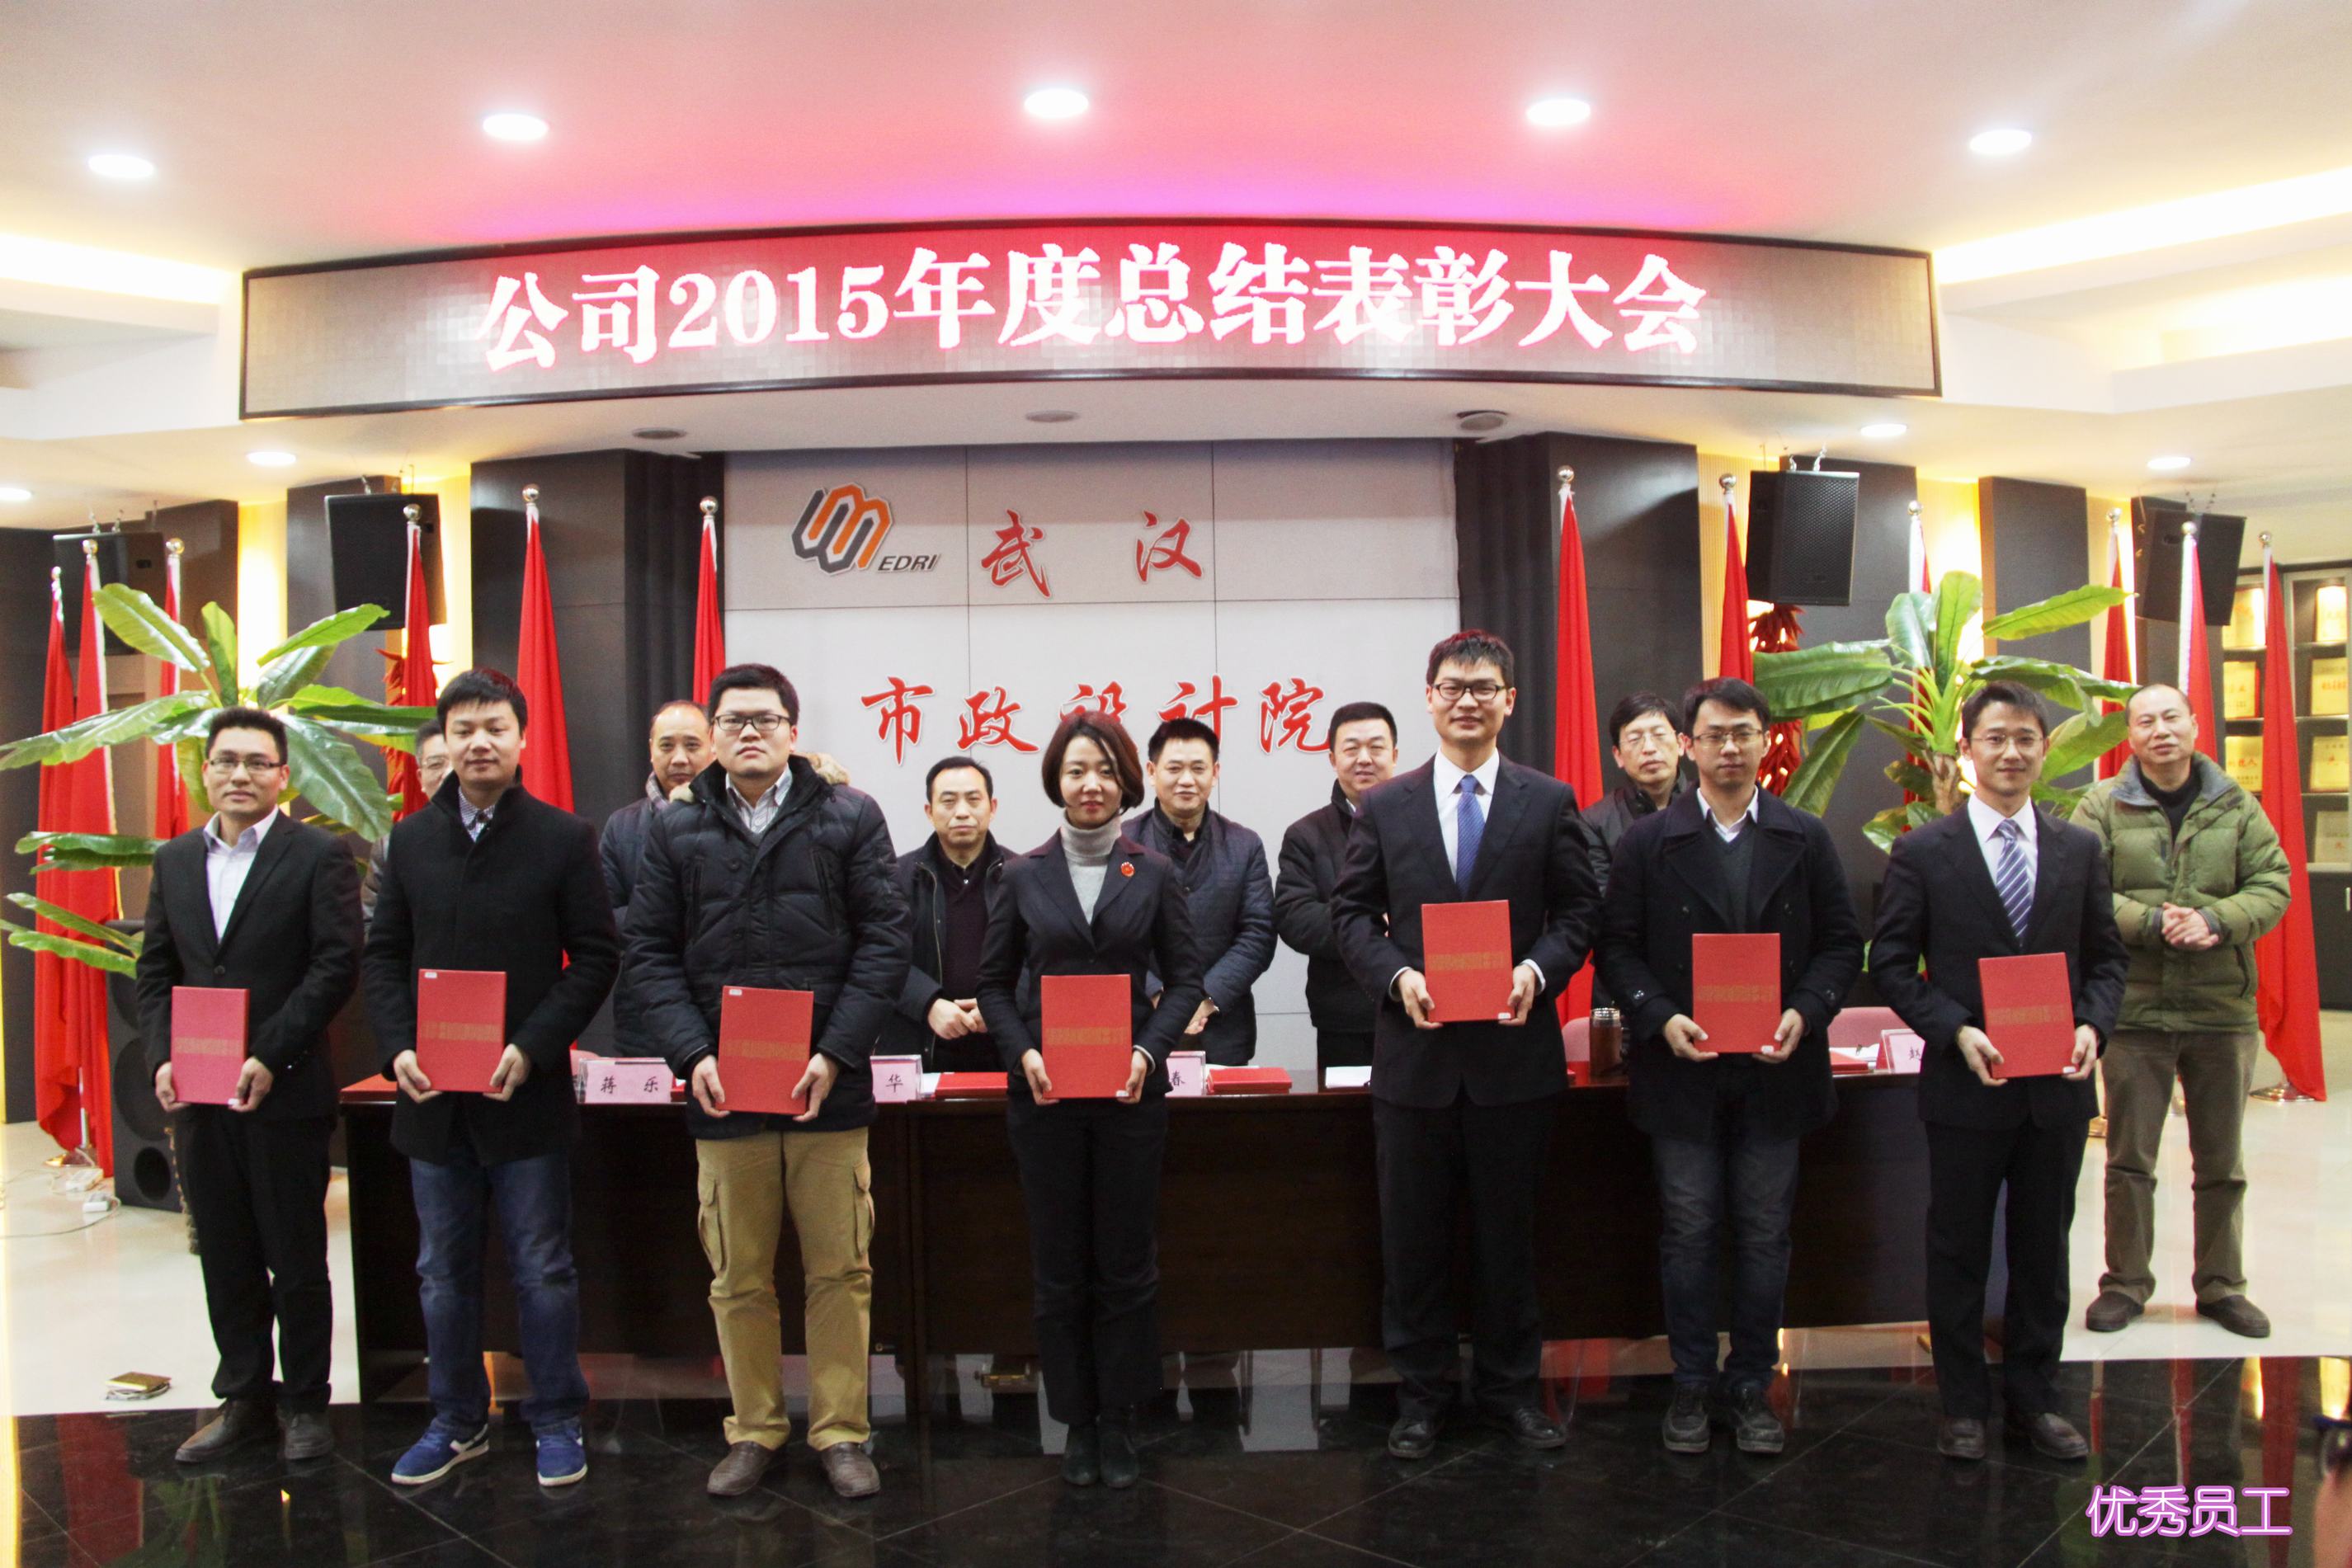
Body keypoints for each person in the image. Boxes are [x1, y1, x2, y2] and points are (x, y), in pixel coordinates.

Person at [625, 663, 907, 1502]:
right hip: (724, 1088)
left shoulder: (850, 815)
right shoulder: (674, 828)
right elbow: (648, 951)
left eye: (766, 718)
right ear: (713, 734)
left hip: (828, 1087)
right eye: (734, 719)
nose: (750, 732)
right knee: (738, 1274)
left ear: (793, 730)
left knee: (839, 1271)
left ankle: (841, 1432)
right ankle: (753, 1428)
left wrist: (837, 1051)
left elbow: (884, 941)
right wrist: (692, 1055)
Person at [1332, 629, 1602, 1461]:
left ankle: (1510, 1392)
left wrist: (1536, 970)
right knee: (1412, 1240)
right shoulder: (1386, 804)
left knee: (1508, 1238)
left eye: (1484, 687)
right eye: (1452, 686)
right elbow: (1350, 913)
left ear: (1508, 701)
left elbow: (1579, 912)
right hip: (1414, 1063)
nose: (1466, 701)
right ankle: (1420, 1396)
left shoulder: (1547, 800)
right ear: (1428, 698)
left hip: (1513, 1064)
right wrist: (1394, 976)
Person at [364, 667, 619, 1490]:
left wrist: (534, 1045)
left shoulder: (562, 837)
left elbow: (596, 956)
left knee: (542, 1264)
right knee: (441, 1269)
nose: (478, 742)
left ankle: (556, 1416)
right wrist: (397, 1047)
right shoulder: (408, 840)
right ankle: (456, 1418)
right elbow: (382, 956)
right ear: (442, 740)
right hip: (432, 1097)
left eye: (494, 727)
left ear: (520, 738)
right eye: (463, 728)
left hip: (523, 1092)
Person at [1596, 677, 1861, 1455]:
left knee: (1764, 1231)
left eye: (1743, 732)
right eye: (1713, 735)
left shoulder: (1804, 835)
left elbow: (1842, 943)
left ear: (1764, 740)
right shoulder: (1648, 842)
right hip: (1682, 1068)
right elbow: (1616, 948)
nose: (1729, 747)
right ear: (1689, 745)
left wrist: (1805, 1009)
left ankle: (1749, 1383)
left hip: (1778, 1067)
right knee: (1686, 1231)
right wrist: (1658, 1015)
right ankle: (1689, 1381)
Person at [1869, 682, 2128, 1462]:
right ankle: (1962, 1405)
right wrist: (1955, 1029)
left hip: (2056, 1089)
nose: (2010, 752)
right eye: (1994, 738)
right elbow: (1891, 964)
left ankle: (2035, 1400)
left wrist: (2092, 1024)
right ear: (1966, 749)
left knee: (2044, 1251)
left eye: (2024, 738)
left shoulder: (2079, 848)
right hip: (1965, 1087)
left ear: (2044, 748)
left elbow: (2106, 959)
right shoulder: (1923, 851)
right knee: (1957, 1249)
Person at [977, 711, 1203, 1490]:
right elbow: (991, 984)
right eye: (1076, 769)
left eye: (1105, 769)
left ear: (1126, 780)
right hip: (1044, 1098)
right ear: (1056, 780)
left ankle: (1120, 1417)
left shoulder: (1155, 872)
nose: (1091, 784)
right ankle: (1074, 1419)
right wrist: (1023, 1052)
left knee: (1126, 1262)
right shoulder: (1021, 874)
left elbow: (1186, 981)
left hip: (1129, 1095)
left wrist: (1147, 1051)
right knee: (1059, 1264)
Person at [136, 706, 363, 1465]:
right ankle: (243, 1399)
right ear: (205, 770)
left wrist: (268, 1052)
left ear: (283, 776)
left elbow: (335, 965)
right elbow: (156, 970)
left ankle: (305, 1403)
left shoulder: (318, 855)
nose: (240, 774)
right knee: (226, 1252)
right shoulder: (174, 859)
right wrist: (162, 1057)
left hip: (284, 1089)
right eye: (227, 760)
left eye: (257, 762)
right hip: (200, 1093)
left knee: (294, 1255)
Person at [2071, 683, 2289, 1340]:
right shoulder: (2100, 805)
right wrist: (2151, 922)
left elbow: (2272, 883)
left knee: (2221, 1163)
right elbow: (2080, 887)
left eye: (2171, 717)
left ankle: (2221, 1285)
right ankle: (2125, 1283)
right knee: (2127, 1161)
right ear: (2130, 735)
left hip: (2220, 1010)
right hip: (2133, 1011)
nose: (2160, 730)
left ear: (2194, 724)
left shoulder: (2236, 803)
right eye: (2145, 720)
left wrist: (2215, 921)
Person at [1123, 718, 1275, 1067]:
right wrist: (1158, 994)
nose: (1187, 780)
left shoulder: (1244, 845)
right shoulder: (1122, 844)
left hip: (1223, 1030)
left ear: (1215, 773)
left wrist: (1204, 999)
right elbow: (1107, 935)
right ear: (1151, 772)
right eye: (1174, 768)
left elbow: (1259, 933)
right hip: (1140, 1027)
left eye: (1198, 768)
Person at [1274, 702, 1400, 1074]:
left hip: (1424, 1007)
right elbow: (1294, 918)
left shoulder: (1428, 822)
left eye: (1376, 747)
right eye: (1351, 748)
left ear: (1394, 755)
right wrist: (1371, 922)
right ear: (1332, 759)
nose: (1364, 759)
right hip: (1345, 1017)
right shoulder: (1306, 835)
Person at [599, 699, 714, 1053]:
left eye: (692, 745)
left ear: (713, 746)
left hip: (720, 1006)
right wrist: (678, 919)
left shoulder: (736, 820)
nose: (679, 759)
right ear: (651, 751)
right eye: (667, 746)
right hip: (644, 1014)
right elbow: (604, 916)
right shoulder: (622, 826)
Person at [881, 755, 1007, 1073]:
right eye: (948, 801)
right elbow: (879, 956)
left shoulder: (1022, 877)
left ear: (992, 807)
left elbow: (1040, 960)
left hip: (1006, 1050)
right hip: (921, 1046)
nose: (962, 812)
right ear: (929, 812)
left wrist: (1001, 1006)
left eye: (973, 800)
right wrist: (927, 1003)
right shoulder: (896, 878)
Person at [1585, 693, 1689, 892]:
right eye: (1634, 739)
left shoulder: (1710, 805)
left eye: (1659, 735)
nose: (1649, 748)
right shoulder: (1594, 823)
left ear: (1681, 744)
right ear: (1618, 756)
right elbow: (1603, 899)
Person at [361, 720, 449, 920]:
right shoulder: (391, 847)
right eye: (436, 764)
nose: (448, 774)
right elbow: (370, 923)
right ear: (420, 779)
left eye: (457, 763)